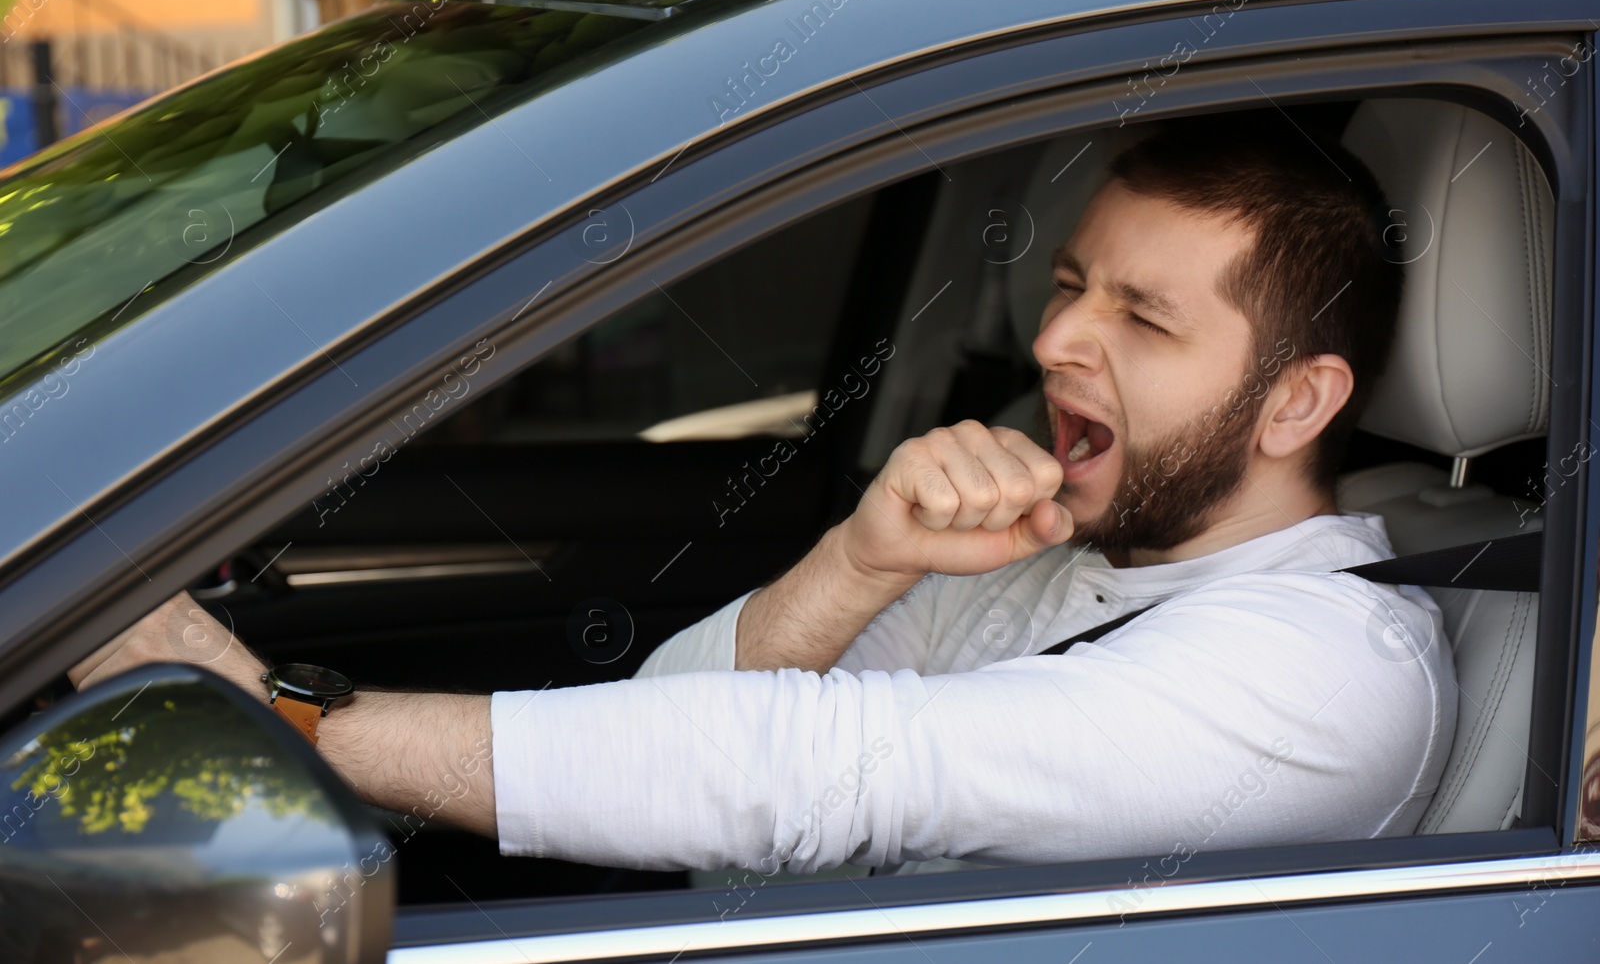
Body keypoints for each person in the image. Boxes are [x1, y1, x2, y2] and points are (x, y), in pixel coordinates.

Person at [70, 114, 1455, 879]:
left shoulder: (1323, 669)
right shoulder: (1068, 549)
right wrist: (860, 560)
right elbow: (681, 711)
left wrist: (286, 715)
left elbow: (800, 776)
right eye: (1071, 283)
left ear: (1296, 402)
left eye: (1143, 321)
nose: (1053, 344)